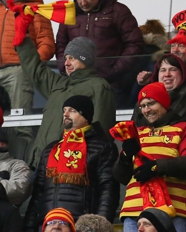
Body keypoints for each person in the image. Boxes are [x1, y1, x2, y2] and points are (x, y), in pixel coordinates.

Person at [114, 83, 186, 232]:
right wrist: (125, 156)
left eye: (151, 103)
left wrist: (157, 167)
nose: (146, 110)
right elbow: (121, 177)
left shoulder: (184, 128)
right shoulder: (136, 133)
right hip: (135, 212)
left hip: (171, 211)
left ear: (164, 103)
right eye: (143, 106)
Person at [16, 30, 116, 168]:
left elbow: (101, 130)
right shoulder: (58, 84)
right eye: (65, 58)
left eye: (72, 58)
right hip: (40, 163)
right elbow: (35, 69)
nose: (66, 63)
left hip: (71, 166)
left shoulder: (99, 87)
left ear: (85, 59)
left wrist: (88, 163)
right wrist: (23, 39)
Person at [24, 96, 118, 232]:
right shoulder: (51, 149)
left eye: (72, 111)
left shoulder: (102, 147)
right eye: (64, 111)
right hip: (48, 224)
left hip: (82, 226)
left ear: (86, 116)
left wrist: (100, 225)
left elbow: (108, 189)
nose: (66, 114)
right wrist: (30, 223)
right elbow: (39, 190)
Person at [56, 0, 143, 105]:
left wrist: (114, 71)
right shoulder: (69, 13)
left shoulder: (118, 11)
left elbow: (135, 44)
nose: (83, 3)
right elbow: (60, 44)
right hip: (75, 84)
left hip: (110, 85)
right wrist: (65, 68)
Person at [132, 43, 186, 135]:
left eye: (173, 69)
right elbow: (132, 135)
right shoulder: (144, 102)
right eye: (163, 70)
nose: (167, 74)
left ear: (182, 74)